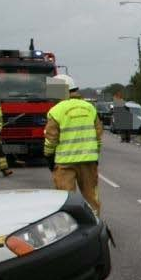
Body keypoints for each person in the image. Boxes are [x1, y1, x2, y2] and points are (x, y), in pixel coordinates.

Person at [44, 75, 103, 215]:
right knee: (91, 197)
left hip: (65, 163)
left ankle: (71, 228)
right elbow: (98, 135)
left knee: (66, 198)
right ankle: (94, 224)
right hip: (88, 161)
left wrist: (48, 155)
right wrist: (95, 155)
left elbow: (51, 138)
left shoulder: (56, 111)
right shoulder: (90, 108)